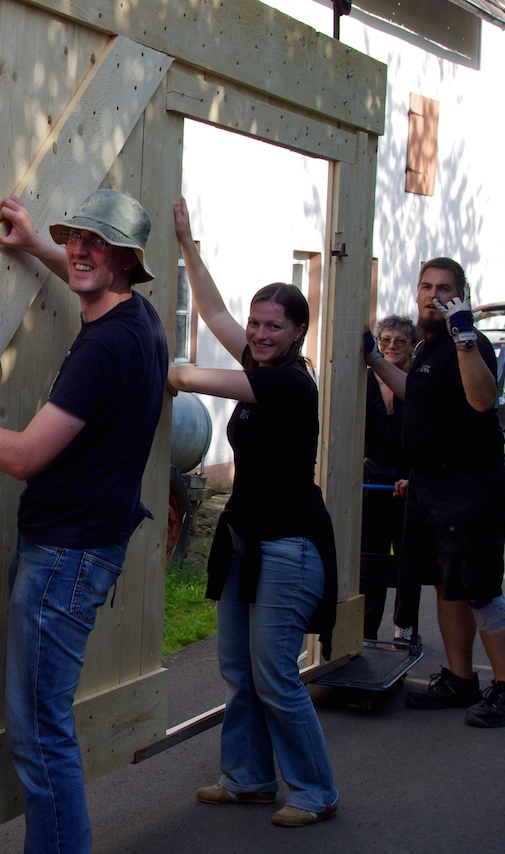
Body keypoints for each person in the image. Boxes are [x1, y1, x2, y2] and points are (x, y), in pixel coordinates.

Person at [0, 189, 168, 854]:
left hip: (65, 557)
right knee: (41, 723)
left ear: (126, 261)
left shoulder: (102, 350)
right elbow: (86, 278)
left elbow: (25, 456)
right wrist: (33, 245)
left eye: (97, 243)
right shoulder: (139, 319)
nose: (80, 251)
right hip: (80, 550)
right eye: (75, 237)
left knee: (39, 732)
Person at [167, 198, 339, 827]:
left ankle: (315, 791)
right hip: (246, 542)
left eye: (274, 327)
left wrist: (146, 364)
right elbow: (212, 312)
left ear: (298, 331)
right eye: (256, 324)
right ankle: (247, 778)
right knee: (239, 669)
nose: (260, 334)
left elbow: (192, 375)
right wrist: (189, 245)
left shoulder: (291, 383)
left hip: (289, 548)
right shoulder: (260, 364)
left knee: (274, 675)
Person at [365, 257, 505, 727]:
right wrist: (375, 357)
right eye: (426, 286)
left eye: (444, 288)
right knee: (444, 584)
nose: (432, 295)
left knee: (480, 589)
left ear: (462, 296)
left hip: (470, 486)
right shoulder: (425, 348)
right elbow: (419, 396)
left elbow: (481, 399)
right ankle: (461, 679)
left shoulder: (468, 344)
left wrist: (464, 338)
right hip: (428, 483)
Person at [361, 315, 421, 642]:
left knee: (407, 558)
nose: (392, 347)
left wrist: (412, 476)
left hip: (408, 482)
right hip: (371, 483)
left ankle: (405, 626)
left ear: (411, 347)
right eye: (385, 341)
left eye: (400, 342)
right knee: (371, 559)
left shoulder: (416, 382)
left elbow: (425, 435)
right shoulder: (366, 381)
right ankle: (366, 630)